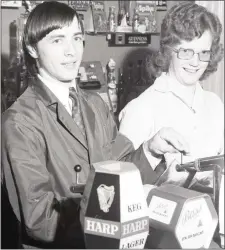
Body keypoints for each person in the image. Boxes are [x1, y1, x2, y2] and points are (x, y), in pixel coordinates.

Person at [1, 1, 190, 248]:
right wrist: (109, 213)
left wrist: (151, 151)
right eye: (57, 40)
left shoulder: (94, 104)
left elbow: (121, 168)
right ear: (32, 48)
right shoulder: (19, 121)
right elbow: (41, 221)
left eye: (77, 38)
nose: (71, 51)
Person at [119, 2, 224, 247]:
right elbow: (120, 190)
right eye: (186, 51)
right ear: (168, 50)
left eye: (204, 52)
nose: (196, 61)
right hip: (159, 239)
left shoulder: (215, 104)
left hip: (211, 231)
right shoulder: (141, 108)